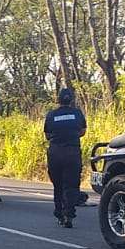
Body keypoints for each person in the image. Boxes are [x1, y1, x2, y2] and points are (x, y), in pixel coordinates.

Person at [43, 87, 87, 228]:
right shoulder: (77, 113)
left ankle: (59, 213)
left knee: (58, 185)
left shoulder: (51, 115)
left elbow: (48, 135)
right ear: (71, 100)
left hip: (55, 153)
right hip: (72, 153)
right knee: (71, 186)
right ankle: (69, 214)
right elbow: (82, 131)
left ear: (58, 100)